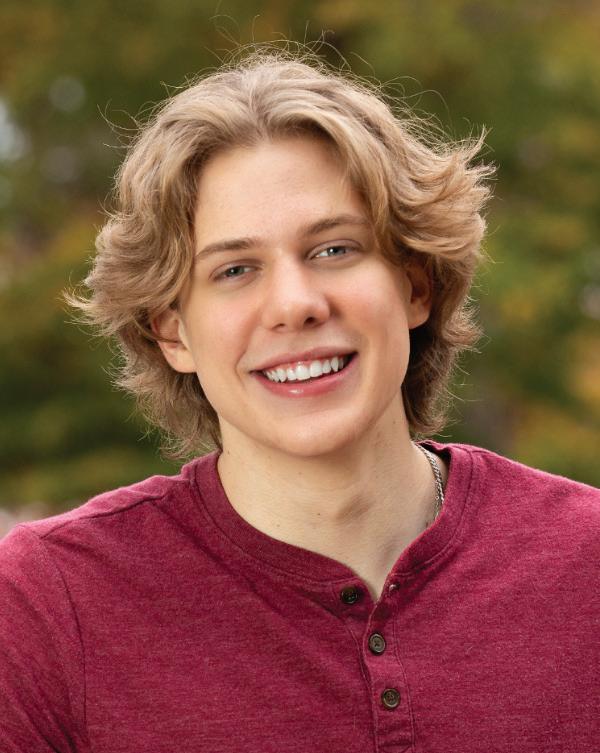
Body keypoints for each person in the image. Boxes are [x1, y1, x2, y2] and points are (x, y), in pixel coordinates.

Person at [1, 47, 598, 753]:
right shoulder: (47, 606)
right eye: (234, 269)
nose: (294, 304)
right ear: (172, 332)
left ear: (415, 285)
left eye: (334, 250)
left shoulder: (586, 562)